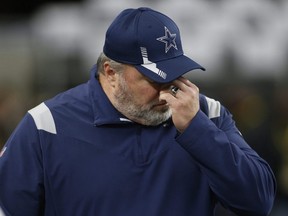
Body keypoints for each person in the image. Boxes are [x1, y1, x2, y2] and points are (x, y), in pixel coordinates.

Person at [0, 7, 276, 216]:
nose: (169, 91)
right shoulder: (46, 124)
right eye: (155, 79)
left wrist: (197, 131)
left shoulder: (207, 113)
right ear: (110, 72)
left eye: (176, 75)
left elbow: (258, 202)